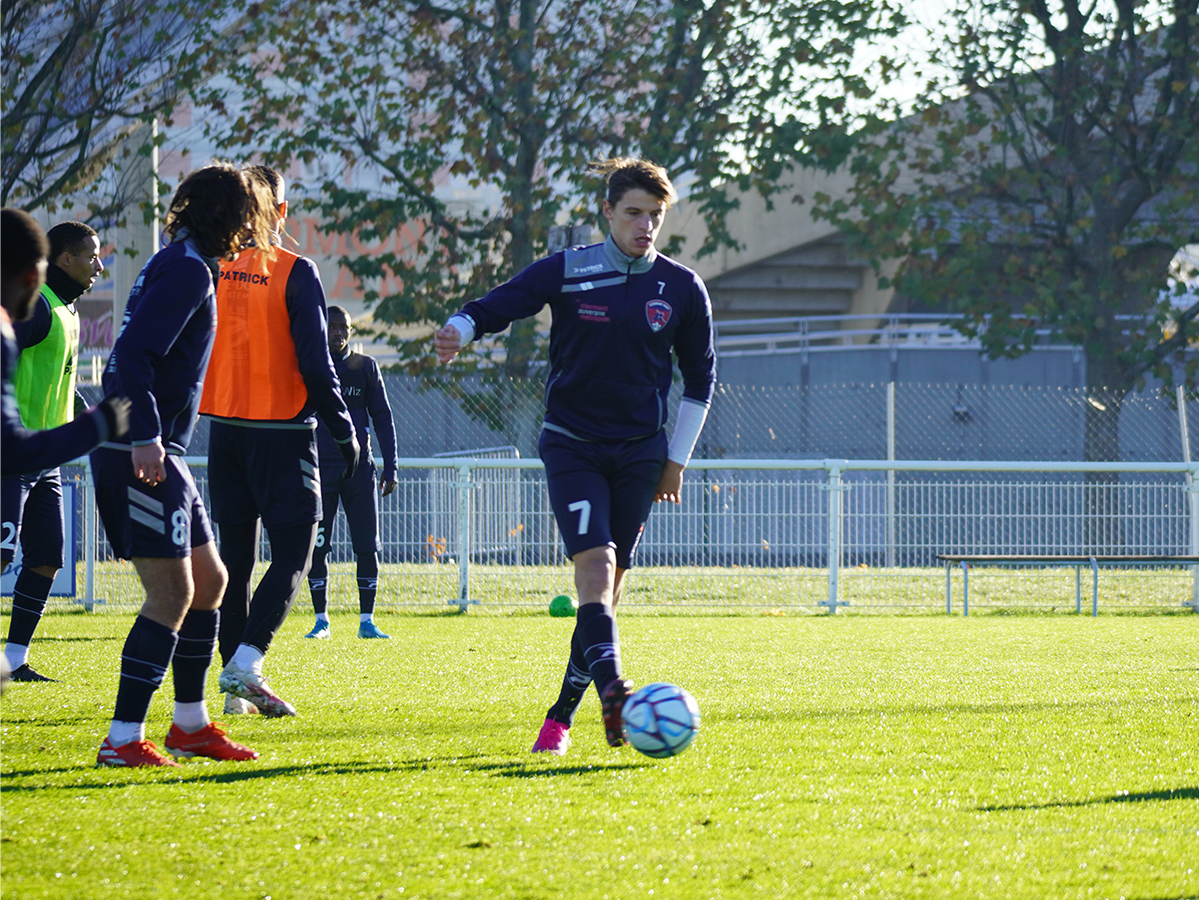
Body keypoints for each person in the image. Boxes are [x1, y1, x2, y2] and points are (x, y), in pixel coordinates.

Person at [434, 158, 716, 754]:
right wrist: (462, 326)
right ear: (608, 212)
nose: (645, 226)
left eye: (655, 216)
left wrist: (676, 461)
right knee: (594, 571)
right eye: (634, 213)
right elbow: (503, 303)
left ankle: (561, 716)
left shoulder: (682, 287)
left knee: (606, 594)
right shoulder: (569, 271)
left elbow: (699, 382)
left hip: (642, 454)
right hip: (572, 445)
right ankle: (615, 689)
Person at [89, 163, 274, 767]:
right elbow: (131, 359)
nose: (257, 223)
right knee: (171, 592)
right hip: (139, 449)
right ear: (230, 214)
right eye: (251, 210)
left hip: (161, 447)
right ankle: (122, 740)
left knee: (211, 582)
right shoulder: (189, 270)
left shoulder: (182, 261)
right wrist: (145, 438)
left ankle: (190, 725)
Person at [199, 165, 358, 717]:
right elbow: (317, 363)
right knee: (295, 551)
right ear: (281, 212)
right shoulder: (294, 268)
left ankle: (236, 695)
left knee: (237, 562)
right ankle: (247, 662)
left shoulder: (214, 265)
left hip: (224, 430)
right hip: (283, 432)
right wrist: (343, 425)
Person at [2, 219, 118, 682]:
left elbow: (64, 385)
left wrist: (97, 418)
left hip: (44, 461)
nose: (99, 265)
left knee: (48, 555)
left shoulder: (69, 313)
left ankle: (14, 659)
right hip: (13, 456)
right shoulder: (37, 310)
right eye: (91, 256)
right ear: (63, 259)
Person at [304, 305, 398, 640]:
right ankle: (321, 621)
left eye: (344, 327)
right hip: (320, 471)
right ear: (322, 330)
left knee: (367, 546)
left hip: (360, 472)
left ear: (351, 332)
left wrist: (391, 465)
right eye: (332, 327)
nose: (338, 333)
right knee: (317, 546)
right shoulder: (310, 366)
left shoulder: (365, 368)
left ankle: (367, 621)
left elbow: (383, 418)